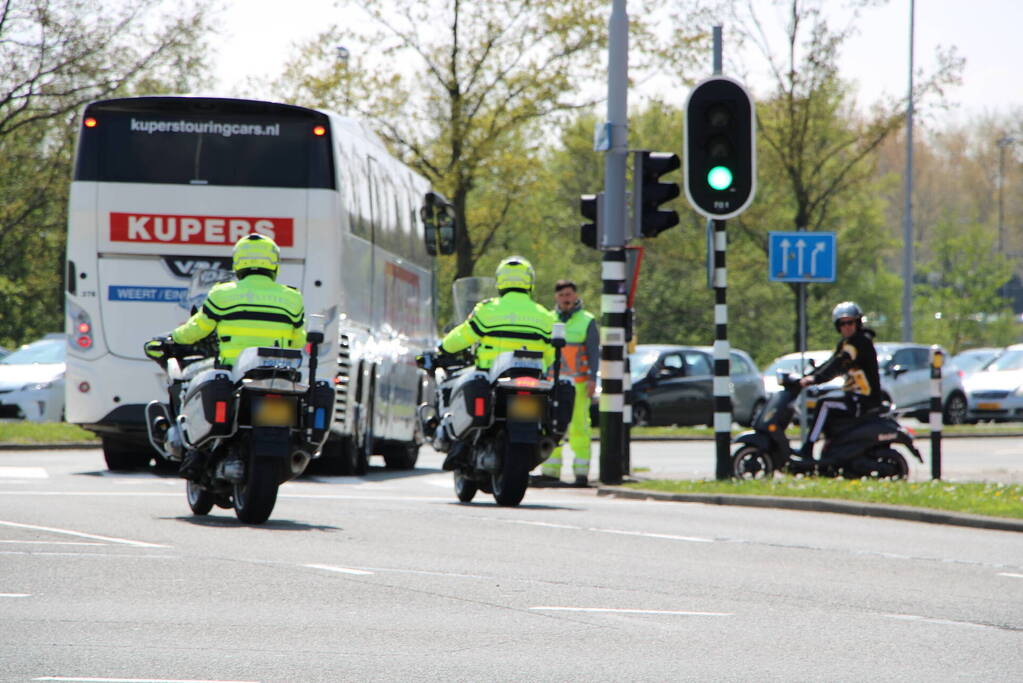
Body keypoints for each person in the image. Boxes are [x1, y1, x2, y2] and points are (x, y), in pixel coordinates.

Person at [145, 233, 306, 477]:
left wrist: (172, 339)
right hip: (278, 373)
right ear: (274, 263)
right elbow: (299, 340)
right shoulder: (292, 298)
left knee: (196, 388)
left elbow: (197, 329)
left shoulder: (222, 294)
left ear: (238, 262)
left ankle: (198, 452)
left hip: (232, 371)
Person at [432, 255, 555, 467]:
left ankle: (462, 446)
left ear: (500, 281)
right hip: (533, 377)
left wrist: (442, 349)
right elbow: (551, 352)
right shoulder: (545, 315)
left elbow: (463, 336)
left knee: (465, 387)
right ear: (530, 282)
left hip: (491, 375)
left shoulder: (488, 309)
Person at [795, 301, 881, 466]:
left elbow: (838, 364)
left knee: (825, 403)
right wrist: (807, 376)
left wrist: (815, 379)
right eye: (842, 323)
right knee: (828, 402)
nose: (847, 327)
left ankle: (808, 448)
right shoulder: (846, 344)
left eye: (850, 322)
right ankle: (831, 447)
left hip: (864, 399)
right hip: (854, 395)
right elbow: (830, 362)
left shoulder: (860, 342)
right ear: (838, 326)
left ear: (858, 323)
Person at [538, 279, 598, 487]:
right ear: (556, 297)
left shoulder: (586, 320)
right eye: (562, 295)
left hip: (578, 384)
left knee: (580, 428)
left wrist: (593, 379)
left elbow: (593, 353)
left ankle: (581, 474)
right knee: (551, 425)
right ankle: (550, 470)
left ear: (575, 296)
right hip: (552, 384)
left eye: (569, 295)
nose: (566, 299)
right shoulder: (548, 319)